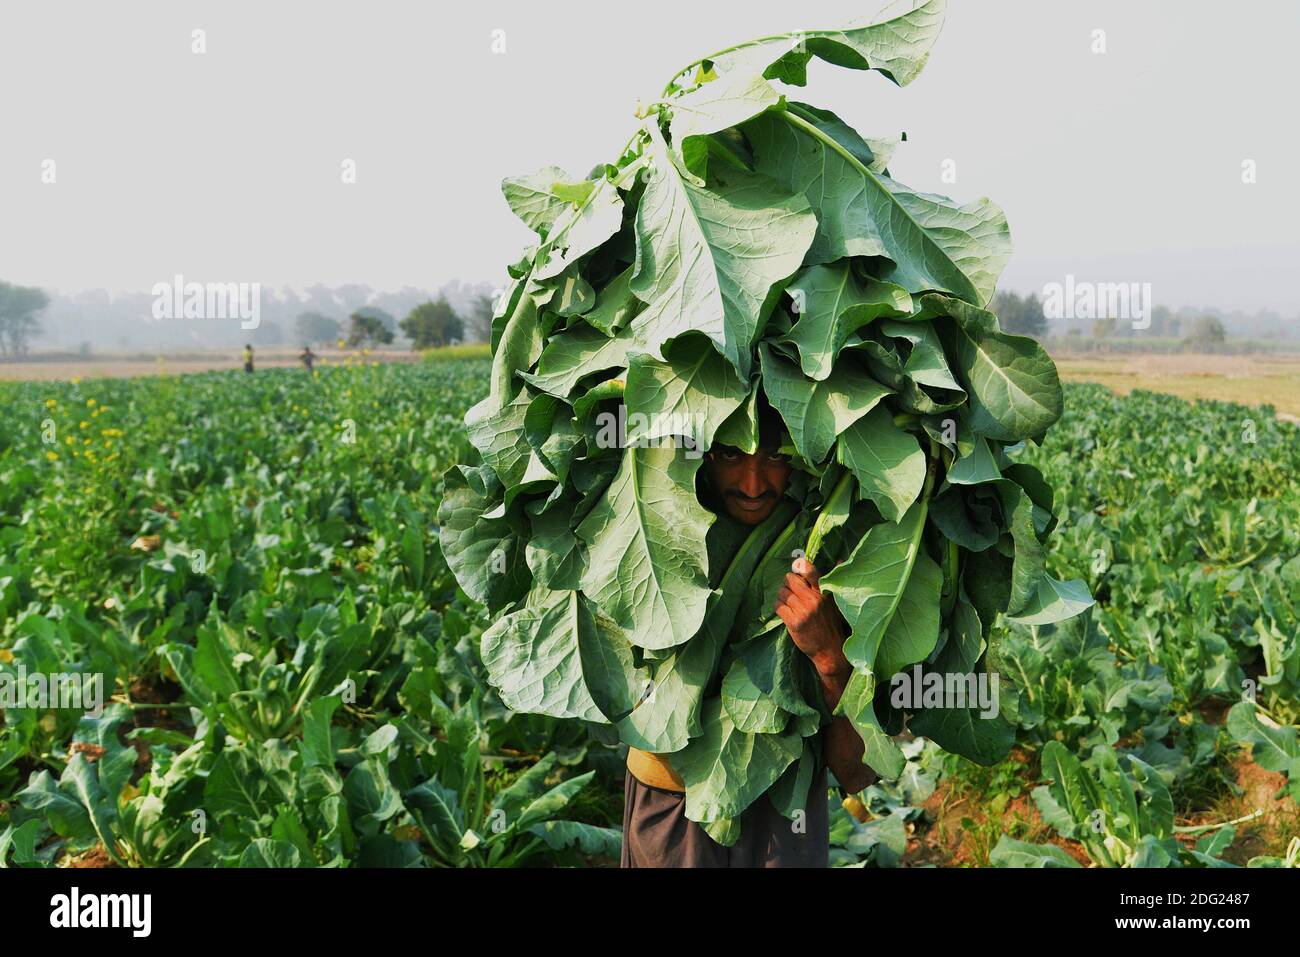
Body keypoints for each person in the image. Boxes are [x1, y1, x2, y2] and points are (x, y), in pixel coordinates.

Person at [620, 400, 875, 868]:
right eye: (731, 455)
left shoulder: (844, 556)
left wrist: (828, 656)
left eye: (777, 457)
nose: (754, 485)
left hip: (786, 820)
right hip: (673, 809)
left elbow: (858, 769)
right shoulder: (649, 536)